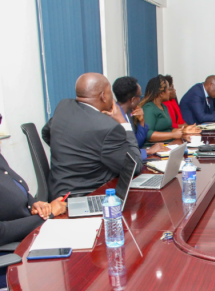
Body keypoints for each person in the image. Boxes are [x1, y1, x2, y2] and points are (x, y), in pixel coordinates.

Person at [42, 73, 143, 201]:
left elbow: (46, 133)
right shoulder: (107, 127)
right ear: (103, 96)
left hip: (57, 191)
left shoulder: (63, 106)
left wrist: (75, 153)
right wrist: (124, 123)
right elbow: (135, 166)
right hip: (87, 195)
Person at [0, 115, 67, 289]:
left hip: (28, 231)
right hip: (11, 250)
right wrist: (48, 214)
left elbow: (18, 188)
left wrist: (34, 204)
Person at [113, 76, 169, 159]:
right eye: (139, 96)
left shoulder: (129, 113)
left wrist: (142, 121)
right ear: (132, 100)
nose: (140, 100)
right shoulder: (114, 118)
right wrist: (148, 151)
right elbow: (122, 153)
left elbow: (136, 143)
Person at [140, 75, 200, 143]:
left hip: (169, 144)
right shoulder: (149, 108)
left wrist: (184, 131)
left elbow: (168, 129)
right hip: (155, 148)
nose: (170, 92)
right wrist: (173, 135)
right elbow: (148, 135)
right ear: (161, 94)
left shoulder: (163, 106)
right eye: (168, 89)